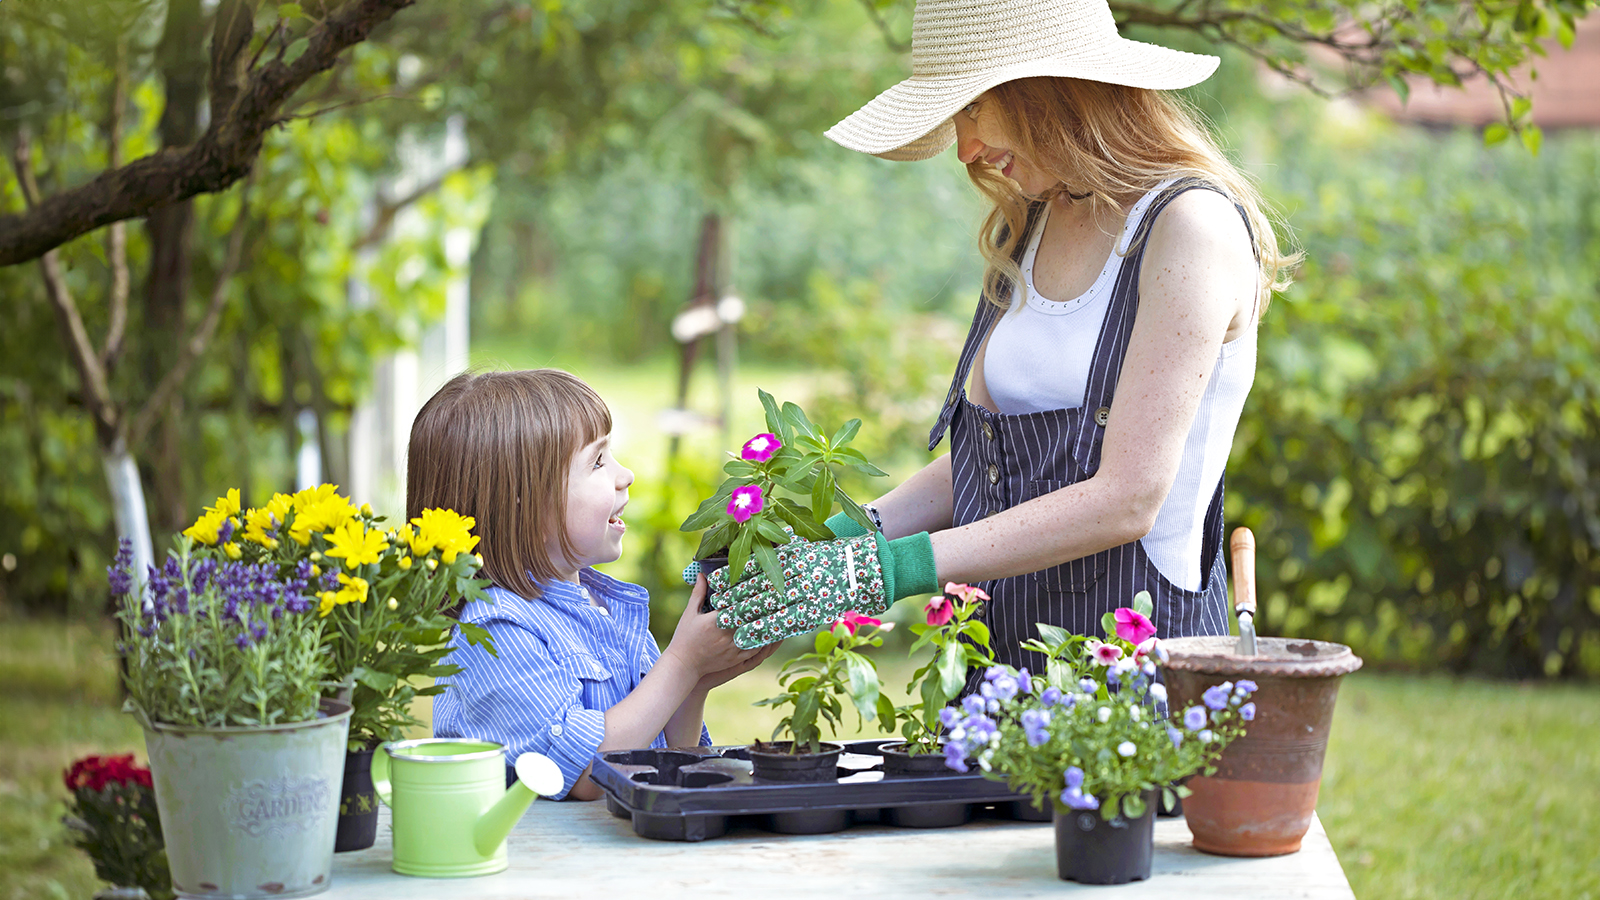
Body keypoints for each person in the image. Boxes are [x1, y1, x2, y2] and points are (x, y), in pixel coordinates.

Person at [707, 0, 1296, 678]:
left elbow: (1129, 498)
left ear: (1048, 89)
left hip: (1134, 681)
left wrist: (887, 571)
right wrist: (832, 541)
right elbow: (987, 468)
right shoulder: (1033, 224)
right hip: (992, 672)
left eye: (973, 109)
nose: (965, 149)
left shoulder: (1187, 225)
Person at [417, 369, 773, 800]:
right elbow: (588, 773)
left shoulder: (606, 605)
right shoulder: (497, 630)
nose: (626, 475)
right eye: (599, 461)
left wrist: (695, 680)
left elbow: (664, 755)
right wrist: (681, 664)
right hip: (539, 861)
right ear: (525, 501)